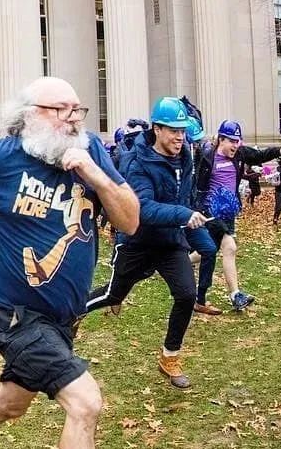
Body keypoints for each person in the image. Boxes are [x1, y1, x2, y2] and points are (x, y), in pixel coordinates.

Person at [0, 77, 138, 449]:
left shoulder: (90, 150)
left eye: (78, 110)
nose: (74, 119)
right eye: (61, 110)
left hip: (63, 317)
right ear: (30, 115)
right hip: (12, 313)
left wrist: (95, 175)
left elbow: (130, 221)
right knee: (85, 404)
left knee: (12, 403)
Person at [85, 97, 204, 388]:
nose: (180, 136)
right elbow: (144, 209)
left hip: (170, 242)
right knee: (114, 296)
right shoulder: (137, 163)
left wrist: (193, 216)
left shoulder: (185, 155)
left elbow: (184, 195)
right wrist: (184, 214)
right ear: (157, 129)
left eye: (183, 130)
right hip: (137, 241)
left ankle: (169, 356)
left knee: (187, 294)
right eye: (174, 131)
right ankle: (75, 310)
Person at [192, 121, 281, 312]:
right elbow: (198, 186)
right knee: (230, 247)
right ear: (221, 139)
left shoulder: (240, 153)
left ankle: (179, 262)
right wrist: (199, 209)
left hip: (229, 211)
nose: (235, 145)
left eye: (238, 141)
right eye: (231, 141)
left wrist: (278, 151)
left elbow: (258, 156)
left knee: (209, 250)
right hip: (211, 211)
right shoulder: (208, 157)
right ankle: (235, 295)